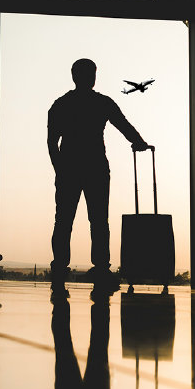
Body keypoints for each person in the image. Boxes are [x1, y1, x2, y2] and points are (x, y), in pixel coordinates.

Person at [48, 58, 150, 292]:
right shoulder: (102, 103)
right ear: (90, 76)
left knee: (63, 222)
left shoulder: (61, 105)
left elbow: (52, 143)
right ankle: (101, 269)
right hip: (95, 167)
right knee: (98, 222)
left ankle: (60, 269)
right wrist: (139, 143)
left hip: (70, 168)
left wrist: (60, 170)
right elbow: (124, 125)